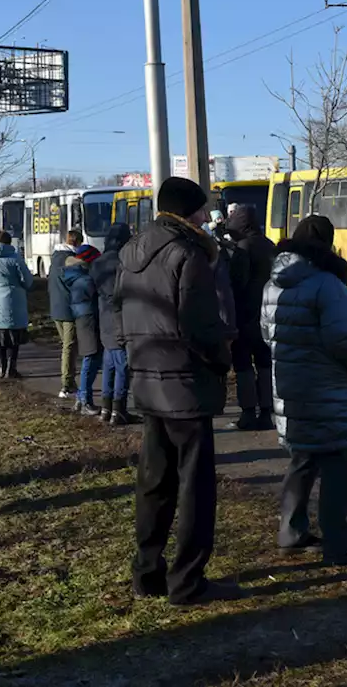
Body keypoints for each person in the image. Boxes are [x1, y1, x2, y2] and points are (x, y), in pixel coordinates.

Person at [115, 176, 239, 606]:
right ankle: (187, 581)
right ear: (186, 212)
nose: (207, 218)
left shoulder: (131, 250)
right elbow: (198, 324)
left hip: (146, 380)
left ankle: (147, 573)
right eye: (202, 211)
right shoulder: (188, 253)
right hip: (186, 383)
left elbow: (119, 310)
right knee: (195, 487)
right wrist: (222, 355)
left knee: (154, 481)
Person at [262, 214, 347, 566]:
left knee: (303, 459)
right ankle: (336, 543)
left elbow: (267, 335)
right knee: (338, 465)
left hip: (292, 388)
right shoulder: (328, 285)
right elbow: (344, 341)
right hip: (331, 390)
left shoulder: (273, 283)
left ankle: (290, 532)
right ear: (328, 243)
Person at [225, 204, 277, 431]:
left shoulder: (242, 249)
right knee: (265, 364)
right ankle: (266, 412)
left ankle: (248, 413)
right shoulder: (269, 245)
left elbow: (237, 283)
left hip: (245, 315)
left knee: (244, 365)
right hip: (268, 314)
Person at [91, 222, 134, 425]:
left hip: (103, 316)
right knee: (123, 366)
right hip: (121, 318)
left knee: (108, 364)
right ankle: (119, 409)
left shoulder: (98, 263)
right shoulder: (123, 262)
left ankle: (106, 408)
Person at [0, 231, 34, 378]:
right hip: (14, 300)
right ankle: (11, 368)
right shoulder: (16, 259)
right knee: (13, 337)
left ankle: (1, 366)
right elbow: (27, 280)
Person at [64, 243, 104, 416]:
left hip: (81, 317)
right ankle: (85, 399)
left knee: (90, 357)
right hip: (88, 318)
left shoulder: (74, 275)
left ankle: (82, 399)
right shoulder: (87, 279)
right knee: (91, 358)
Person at [49, 230, 84, 400]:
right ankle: (66, 384)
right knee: (69, 347)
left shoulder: (55, 258)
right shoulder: (71, 260)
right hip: (69, 308)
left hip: (56, 308)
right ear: (77, 242)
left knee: (67, 345)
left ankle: (70, 383)